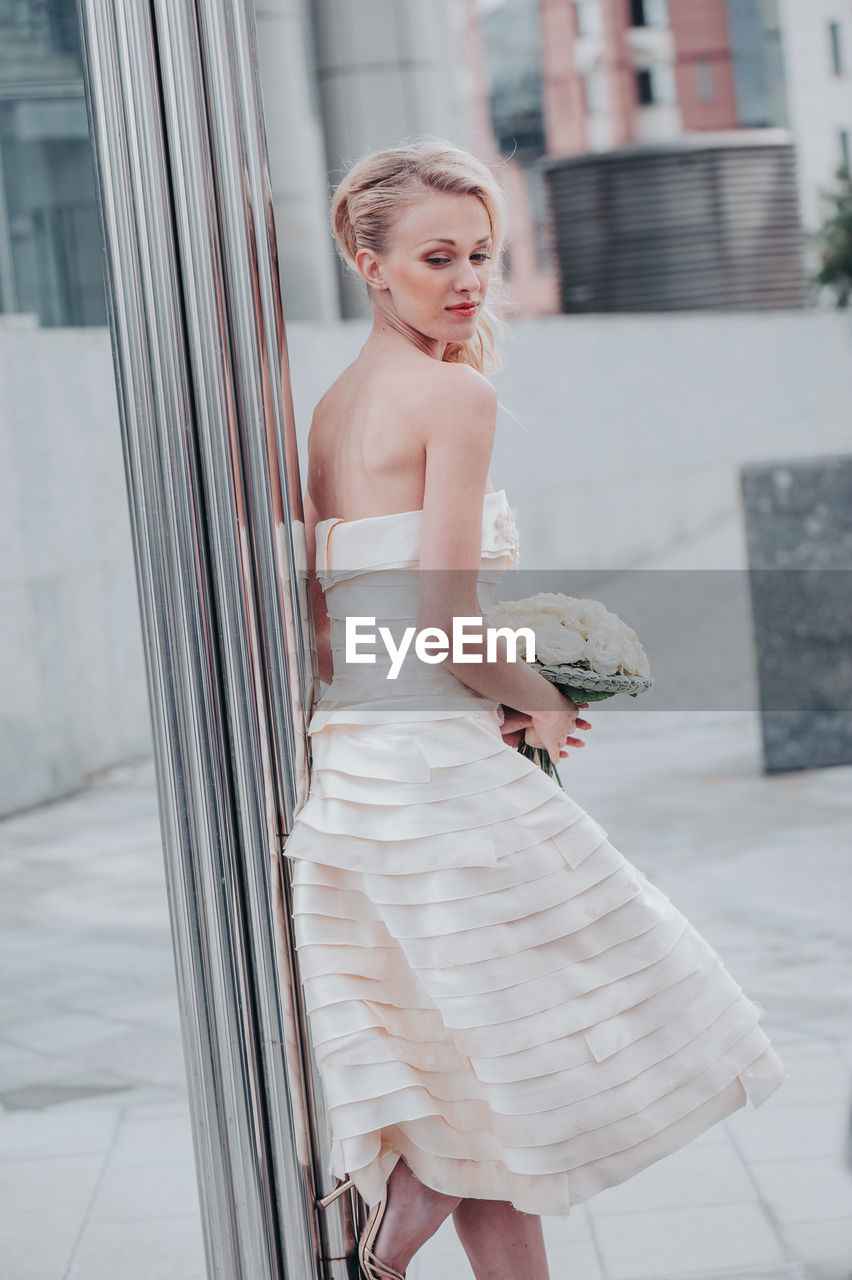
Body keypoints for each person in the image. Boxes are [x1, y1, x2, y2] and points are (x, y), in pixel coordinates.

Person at [283, 137, 787, 1280]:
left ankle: (414, 1205)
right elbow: (452, 622)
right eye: (436, 258)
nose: (466, 281)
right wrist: (544, 699)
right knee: (579, 1025)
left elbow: (350, 625)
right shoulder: (457, 393)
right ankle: (414, 1190)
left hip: (357, 778)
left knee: (491, 1067)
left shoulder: (327, 411)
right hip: (439, 781)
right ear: (368, 262)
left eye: (482, 255)